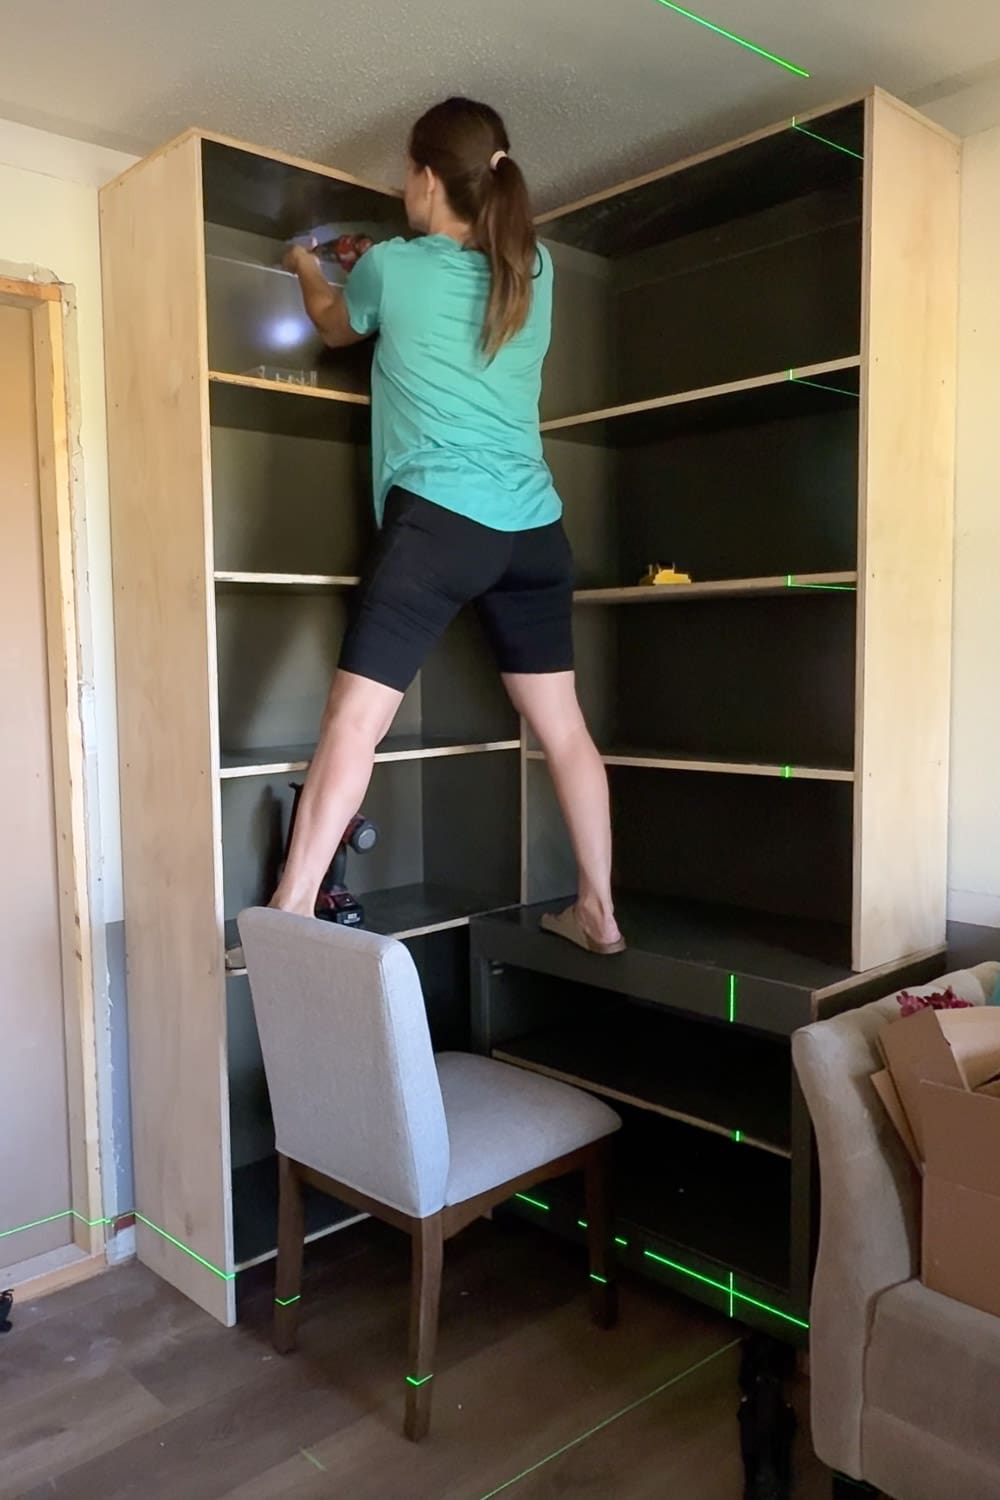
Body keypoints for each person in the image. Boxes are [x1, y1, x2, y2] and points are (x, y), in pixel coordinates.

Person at [275, 96, 623, 955]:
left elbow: (331, 323)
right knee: (565, 729)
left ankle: (287, 912)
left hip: (440, 525)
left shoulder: (391, 265)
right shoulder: (532, 269)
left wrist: (307, 261)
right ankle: (599, 912)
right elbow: (459, 285)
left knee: (353, 725)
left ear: (425, 177)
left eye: (406, 173)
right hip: (535, 533)